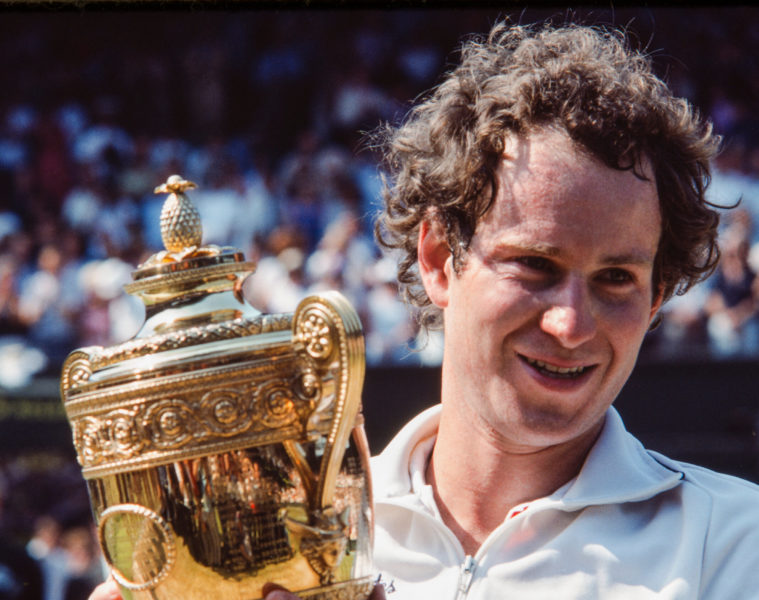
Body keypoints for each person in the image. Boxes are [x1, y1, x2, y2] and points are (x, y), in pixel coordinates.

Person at [90, 19, 759, 600]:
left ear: (656, 296)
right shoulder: (276, 539)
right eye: (534, 265)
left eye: (616, 278)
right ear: (439, 259)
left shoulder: (735, 543)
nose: (570, 324)